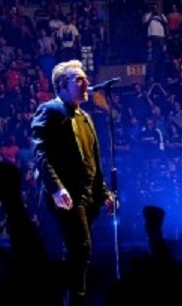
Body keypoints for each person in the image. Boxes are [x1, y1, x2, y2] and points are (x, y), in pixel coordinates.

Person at [31, 59, 116, 306]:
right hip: (67, 194)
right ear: (62, 85)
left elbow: (93, 160)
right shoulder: (50, 110)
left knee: (77, 251)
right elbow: (41, 153)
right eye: (79, 79)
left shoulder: (85, 117)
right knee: (81, 248)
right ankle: (75, 299)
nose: (86, 83)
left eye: (85, 78)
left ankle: (69, 297)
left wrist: (104, 193)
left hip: (86, 194)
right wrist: (56, 188)